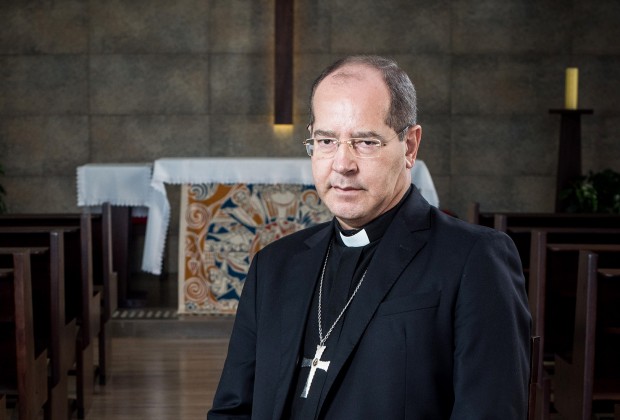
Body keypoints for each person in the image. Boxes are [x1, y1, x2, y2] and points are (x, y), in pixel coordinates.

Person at [208, 55, 531, 419]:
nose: (342, 164)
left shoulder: (474, 259)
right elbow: (233, 409)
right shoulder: (275, 265)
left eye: (365, 142)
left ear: (409, 146)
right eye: (327, 140)